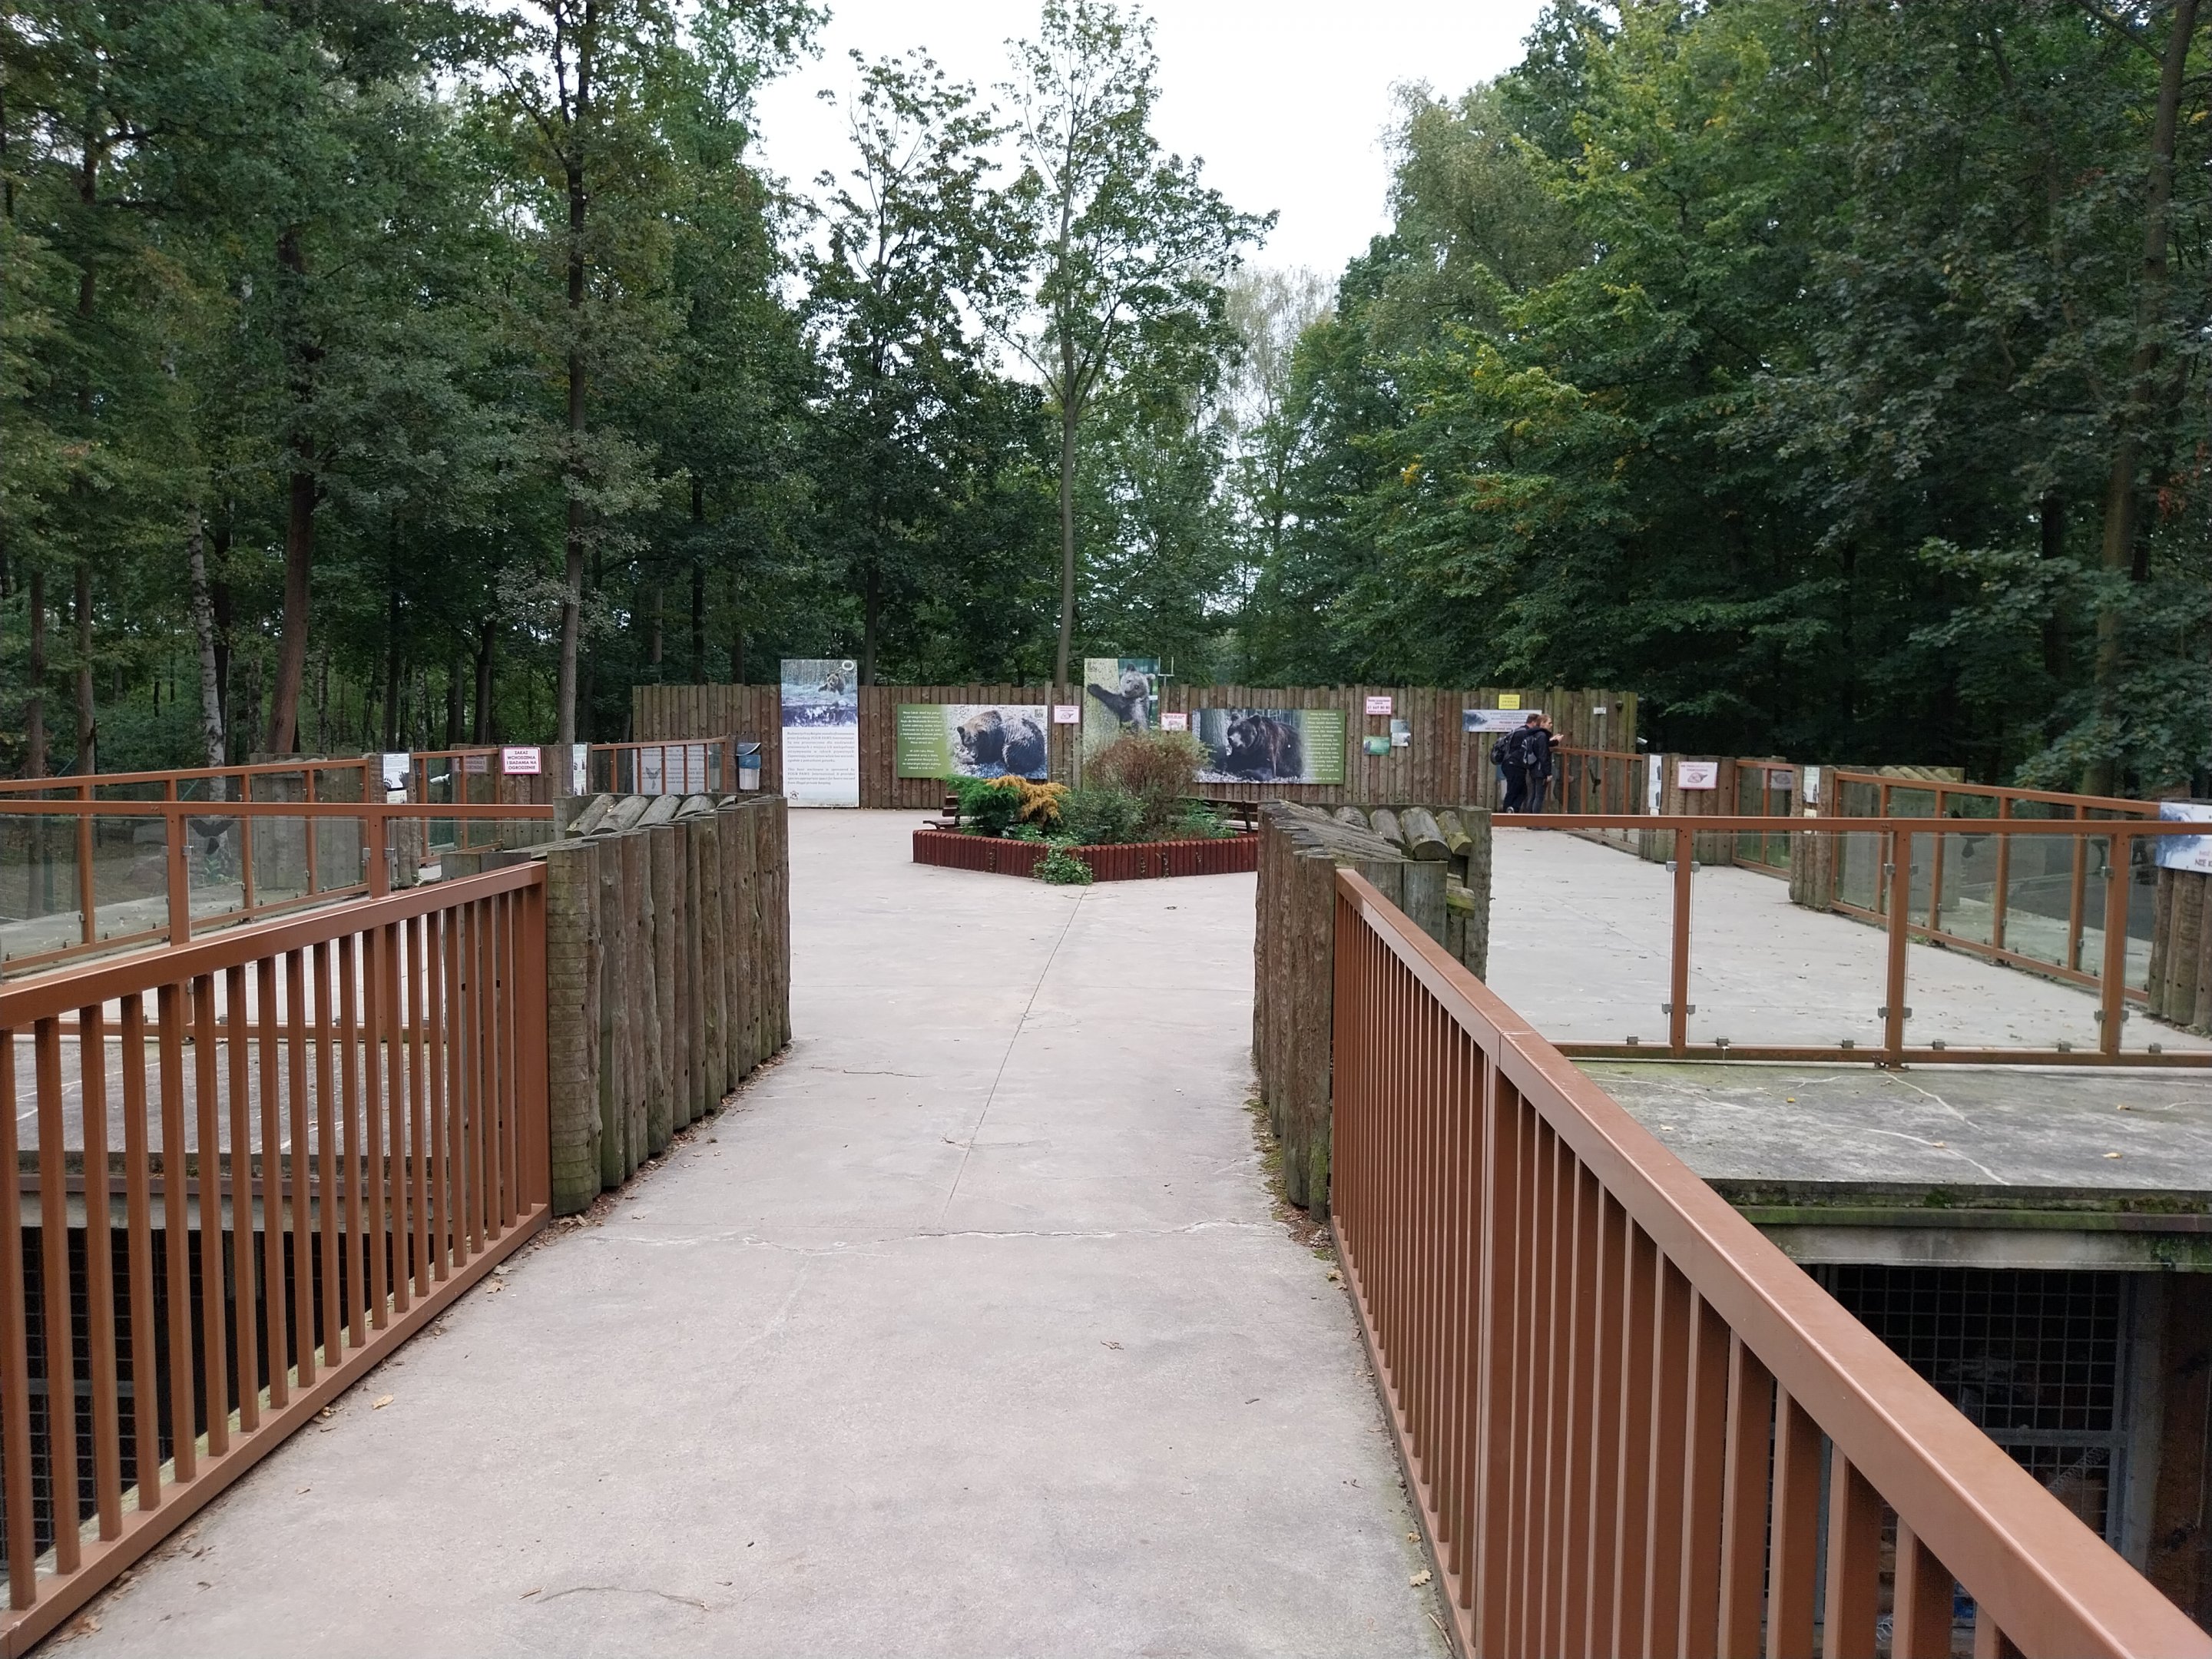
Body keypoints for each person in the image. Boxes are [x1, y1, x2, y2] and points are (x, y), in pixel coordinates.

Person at [1495, 715, 1538, 813]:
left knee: (1518, 789)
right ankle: (1509, 811)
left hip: (1510, 763)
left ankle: (1511, 809)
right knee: (1515, 790)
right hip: (1515, 764)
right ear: (1533, 722)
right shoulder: (1525, 733)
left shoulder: (1519, 731)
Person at [1522, 714, 1559, 812]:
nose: (1551, 725)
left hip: (1533, 768)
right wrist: (1548, 773)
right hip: (1540, 769)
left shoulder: (1534, 734)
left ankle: (1530, 822)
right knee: (1539, 797)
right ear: (1542, 723)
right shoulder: (1542, 735)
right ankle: (1536, 823)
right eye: (1549, 723)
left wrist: (1555, 742)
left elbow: (1540, 747)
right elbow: (1543, 755)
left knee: (1533, 795)